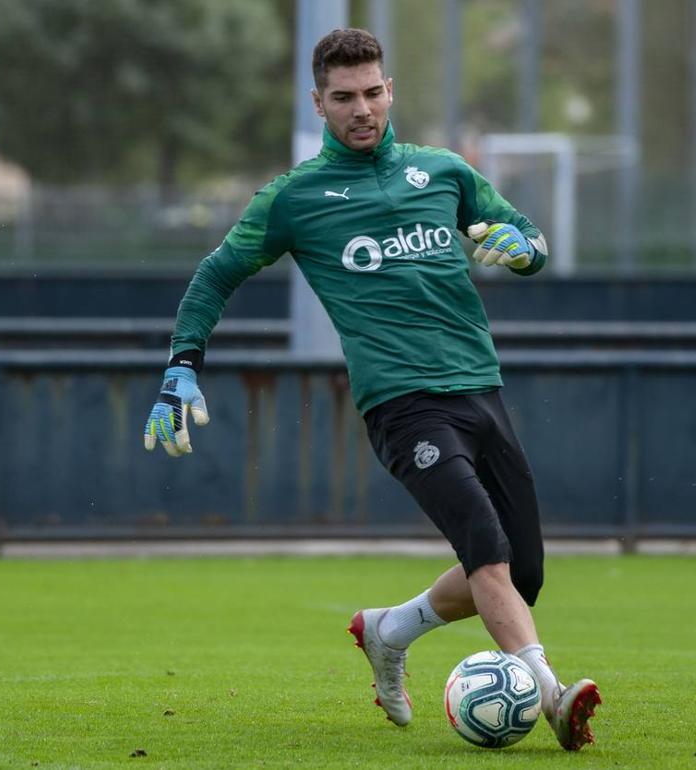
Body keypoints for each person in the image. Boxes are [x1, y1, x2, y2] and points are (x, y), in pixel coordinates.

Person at [144, 27, 601, 751]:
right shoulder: (296, 199)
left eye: (373, 92)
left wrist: (526, 250)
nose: (362, 108)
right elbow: (215, 274)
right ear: (319, 104)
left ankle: (390, 629)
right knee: (485, 546)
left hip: (480, 390)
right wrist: (181, 365)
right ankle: (550, 697)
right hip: (403, 405)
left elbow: (525, 237)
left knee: (525, 572)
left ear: (391, 91)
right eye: (344, 97)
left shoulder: (445, 173)